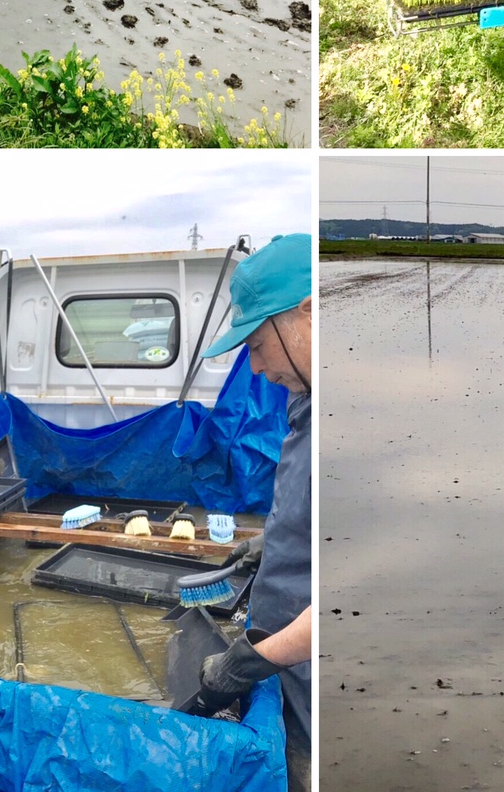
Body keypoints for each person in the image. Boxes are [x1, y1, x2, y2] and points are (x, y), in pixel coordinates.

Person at [195, 234, 312, 792]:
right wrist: (276, 543)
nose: (257, 366)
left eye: (260, 344)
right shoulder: (306, 403)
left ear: (308, 312)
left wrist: (247, 663)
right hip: (285, 673)